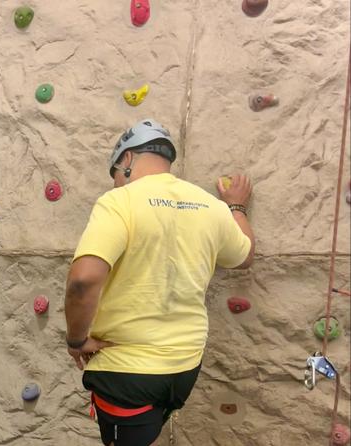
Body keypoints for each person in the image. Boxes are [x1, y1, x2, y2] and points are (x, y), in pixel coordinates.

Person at [64, 119, 255, 446]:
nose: (115, 184)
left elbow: (83, 281)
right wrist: (236, 207)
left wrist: (76, 340)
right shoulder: (210, 206)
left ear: (125, 160)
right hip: (184, 367)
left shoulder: (120, 202)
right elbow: (244, 255)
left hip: (127, 372)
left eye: (114, 176)